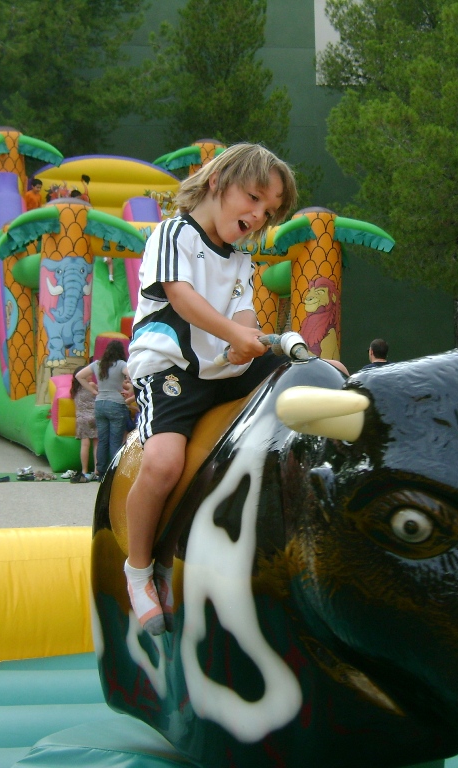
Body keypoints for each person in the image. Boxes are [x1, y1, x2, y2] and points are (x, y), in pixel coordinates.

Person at [123, 143, 297, 635]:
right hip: (171, 368)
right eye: (254, 197)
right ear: (219, 181)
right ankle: (137, 571)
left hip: (219, 366)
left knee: (292, 377)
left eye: (269, 210)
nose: (259, 214)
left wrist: (249, 342)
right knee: (162, 463)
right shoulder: (172, 234)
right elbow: (181, 296)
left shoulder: (240, 259)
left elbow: (244, 315)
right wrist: (234, 335)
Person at [76, 341, 131, 482]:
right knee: (115, 441)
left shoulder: (97, 364)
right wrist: (130, 389)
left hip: (99, 404)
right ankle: (113, 474)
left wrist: (94, 391)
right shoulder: (121, 364)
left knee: (102, 440)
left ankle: (100, 472)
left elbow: (79, 376)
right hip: (116, 405)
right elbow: (132, 374)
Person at [69, 366, 99, 484]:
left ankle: (84, 470)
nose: (90, 374)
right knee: (97, 444)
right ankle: (96, 470)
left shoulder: (74, 389)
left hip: (81, 418)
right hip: (93, 417)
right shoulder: (91, 385)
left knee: (85, 445)